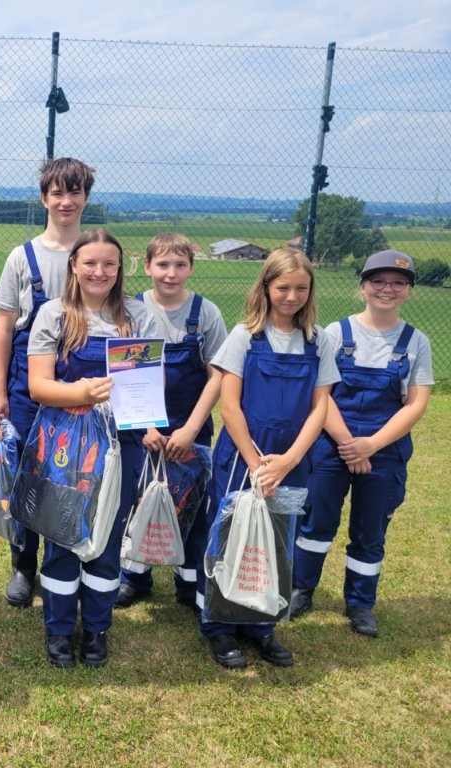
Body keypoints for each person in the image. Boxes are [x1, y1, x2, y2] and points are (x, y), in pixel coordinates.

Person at [198, 247, 339, 669]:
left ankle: (263, 626)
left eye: (301, 288)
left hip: (291, 462)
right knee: (228, 537)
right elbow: (230, 407)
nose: (291, 296)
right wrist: (257, 463)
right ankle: (219, 626)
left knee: (277, 542)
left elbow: (320, 409)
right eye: (282, 287)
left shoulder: (320, 342)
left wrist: (288, 460)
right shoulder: (245, 336)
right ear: (265, 287)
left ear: (310, 291)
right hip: (242, 457)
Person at [27, 227, 161, 668]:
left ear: (120, 269)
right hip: (67, 443)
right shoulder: (54, 315)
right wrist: (81, 393)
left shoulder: (139, 317)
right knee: (64, 534)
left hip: (122, 445)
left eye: (108, 263)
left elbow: (148, 386)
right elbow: (39, 386)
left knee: (105, 534)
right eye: (90, 262)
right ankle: (59, 630)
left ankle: (97, 630)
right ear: (74, 266)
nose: (99, 271)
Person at [290, 250, 433, 638]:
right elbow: (322, 395)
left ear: (409, 291)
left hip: (384, 449)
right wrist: (347, 442)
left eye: (398, 283)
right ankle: (302, 588)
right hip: (332, 444)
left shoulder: (416, 341)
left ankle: (360, 604)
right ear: (363, 286)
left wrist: (371, 444)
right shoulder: (336, 333)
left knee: (370, 531)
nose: (387, 289)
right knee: (316, 521)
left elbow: (416, 403)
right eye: (378, 281)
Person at [0, 157, 97, 609]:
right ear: (44, 198)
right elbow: (4, 330)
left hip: (82, 387)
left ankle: (70, 556)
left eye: (74, 192)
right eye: (57, 193)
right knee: (25, 472)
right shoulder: (23, 257)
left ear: (85, 197)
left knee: (75, 474)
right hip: (27, 384)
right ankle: (22, 564)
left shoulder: (97, 254)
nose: (66, 201)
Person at [116, 233, 227, 610]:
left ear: (191, 268)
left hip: (190, 427)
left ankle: (189, 579)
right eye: (162, 265)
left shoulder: (205, 314)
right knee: (138, 499)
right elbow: (127, 373)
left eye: (180, 265)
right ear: (146, 267)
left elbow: (218, 376)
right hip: (141, 429)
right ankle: (135, 574)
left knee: (192, 506)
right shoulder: (131, 311)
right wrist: (146, 427)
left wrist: (190, 430)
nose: (171, 273)